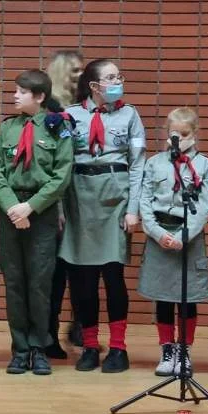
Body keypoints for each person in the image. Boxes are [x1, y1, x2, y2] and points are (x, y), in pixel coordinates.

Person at [58, 59, 146, 373]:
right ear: (94, 86)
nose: (118, 81)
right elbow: (60, 166)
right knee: (82, 280)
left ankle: (119, 348)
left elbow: (137, 165)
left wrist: (133, 209)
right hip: (80, 201)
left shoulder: (130, 115)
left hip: (116, 201)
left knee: (113, 277)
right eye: (111, 77)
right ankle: (91, 347)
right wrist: (59, 209)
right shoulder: (70, 116)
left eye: (119, 76)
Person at [0, 69, 74, 376]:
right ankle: (19, 348)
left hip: (41, 212)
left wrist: (31, 207)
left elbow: (62, 174)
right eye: (16, 90)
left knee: (39, 283)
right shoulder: (7, 128)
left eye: (22, 92)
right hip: (11, 211)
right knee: (14, 282)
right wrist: (14, 207)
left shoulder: (58, 128)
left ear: (39, 97)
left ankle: (39, 347)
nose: (15, 95)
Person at [138, 107, 208, 376]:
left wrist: (184, 236)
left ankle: (184, 349)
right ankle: (167, 349)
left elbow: (204, 206)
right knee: (163, 297)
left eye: (184, 134)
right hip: (159, 233)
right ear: (166, 133)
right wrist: (157, 232)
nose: (179, 138)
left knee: (186, 297)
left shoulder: (205, 166)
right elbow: (144, 201)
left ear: (194, 134)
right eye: (174, 133)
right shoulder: (154, 163)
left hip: (189, 238)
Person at [45, 50, 85, 358]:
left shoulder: (85, 108)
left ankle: (79, 327)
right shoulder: (52, 110)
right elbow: (51, 165)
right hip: (58, 201)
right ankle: (49, 333)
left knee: (82, 269)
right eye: (73, 71)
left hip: (83, 199)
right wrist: (57, 207)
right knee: (57, 272)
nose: (79, 76)